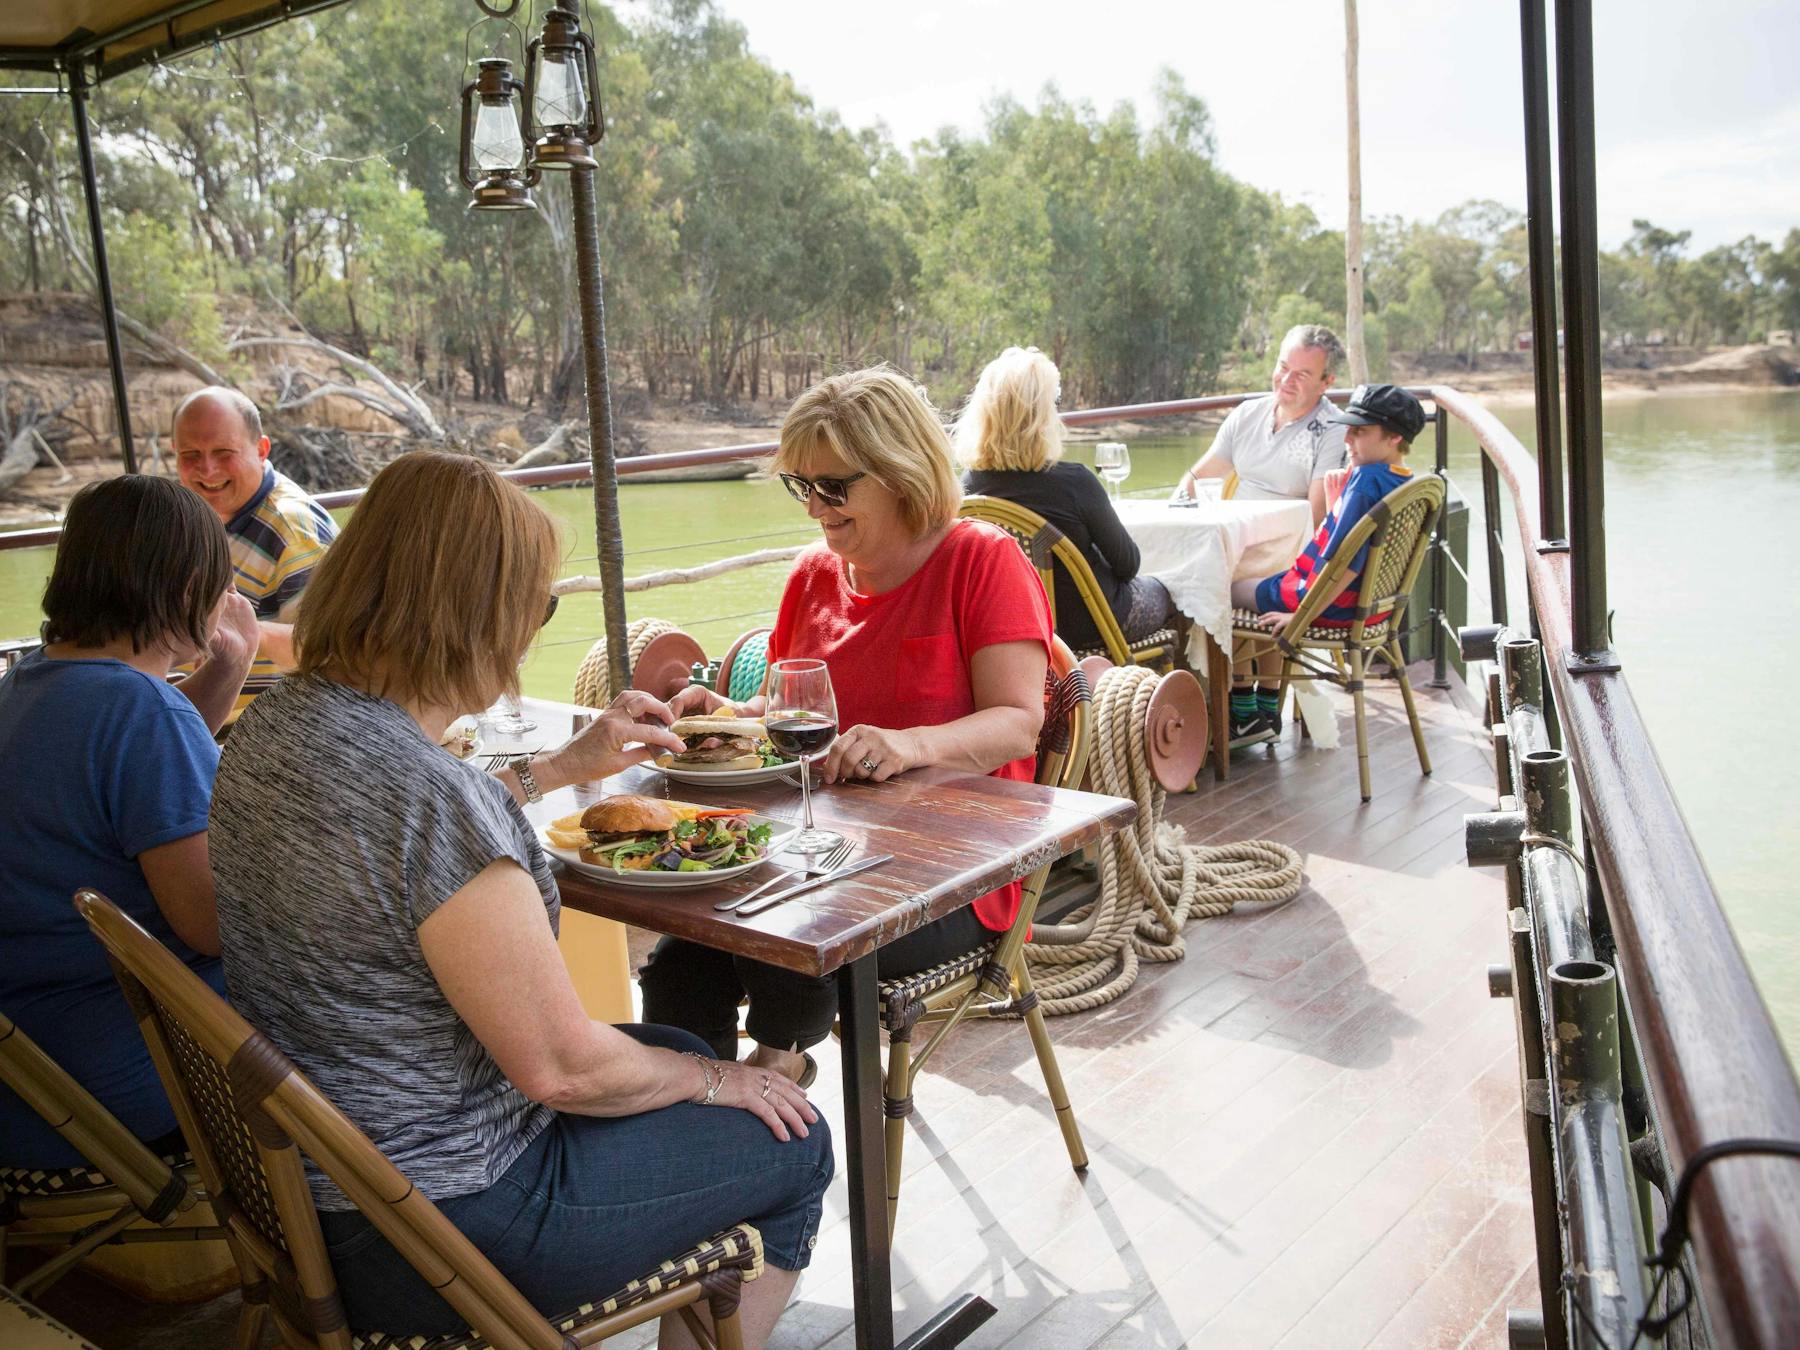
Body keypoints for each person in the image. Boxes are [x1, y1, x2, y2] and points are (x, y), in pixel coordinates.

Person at [206, 450, 829, 1347]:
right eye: (537, 607)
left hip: (308, 1186)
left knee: (681, 1048)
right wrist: (723, 1080)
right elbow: (560, 1069)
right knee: (794, 1136)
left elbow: (407, 838)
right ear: (479, 614)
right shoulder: (427, 797)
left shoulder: (275, 727)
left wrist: (567, 766)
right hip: (434, 1226)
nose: (532, 631)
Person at [639, 366, 1053, 1090]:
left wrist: (910, 744)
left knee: (789, 941)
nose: (814, 509)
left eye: (833, 488)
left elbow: (1020, 725)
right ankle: (702, 1128)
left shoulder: (981, 559)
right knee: (681, 962)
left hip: (953, 874)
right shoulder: (811, 575)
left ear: (900, 472)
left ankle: (776, 1074)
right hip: (820, 852)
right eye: (801, 486)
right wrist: (724, 719)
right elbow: (786, 719)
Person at [0, 476, 258, 1168]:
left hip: (28, 1075)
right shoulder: (143, 713)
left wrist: (228, 664)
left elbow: (137, 776)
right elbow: (213, 926)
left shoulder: (29, 683)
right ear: (191, 589)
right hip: (114, 1090)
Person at [1227, 384, 1426, 737]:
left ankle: (1245, 713)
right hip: (1371, 610)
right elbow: (1357, 548)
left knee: (1226, 590)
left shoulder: (1365, 482)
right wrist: (1338, 502)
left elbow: (1344, 565)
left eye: (1360, 432)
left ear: (1394, 437)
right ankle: (1267, 708)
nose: (1347, 439)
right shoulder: (1402, 481)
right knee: (1260, 582)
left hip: (1324, 604)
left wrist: (1301, 617)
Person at [957, 346, 1175, 650]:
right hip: (1091, 626)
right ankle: (1160, 679)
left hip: (1014, 629)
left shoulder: (968, 487)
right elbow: (1128, 565)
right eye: (1055, 402)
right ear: (1043, 416)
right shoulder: (1075, 483)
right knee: (1173, 590)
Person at [171, 386, 336, 718]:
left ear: (261, 450)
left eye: (223, 452)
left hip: (264, 733)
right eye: (191, 454)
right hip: (199, 718)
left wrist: (244, 631)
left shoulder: (294, 530)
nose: (207, 469)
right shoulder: (192, 515)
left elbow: (329, 652)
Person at [1172, 323, 1348, 527]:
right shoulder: (1246, 414)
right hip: (1229, 532)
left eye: (1302, 375)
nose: (1287, 380)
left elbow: (1316, 520)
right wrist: (1172, 518)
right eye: (1283, 367)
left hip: (1286, 541)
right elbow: (1197, 479)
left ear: (1326, 383)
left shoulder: (1335, 431)